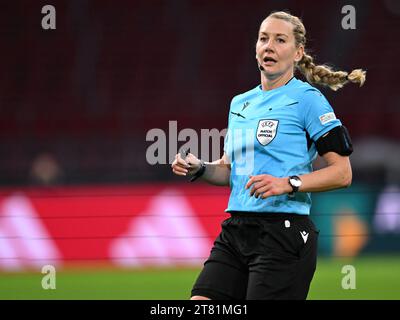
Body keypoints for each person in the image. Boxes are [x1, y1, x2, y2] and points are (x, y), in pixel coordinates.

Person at [171, 11, 366, 300]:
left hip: (284, 233)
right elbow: (230, 171)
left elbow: (342, 173)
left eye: (280, 39)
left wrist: (288, 183)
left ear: (298, 52)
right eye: (264, 38)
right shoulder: (240, 103)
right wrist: (200, 167)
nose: (269, 46)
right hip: (236, 231)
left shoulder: (308, 99)